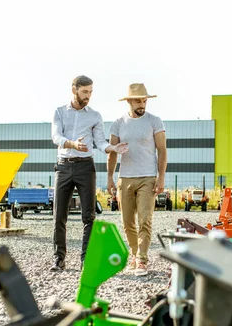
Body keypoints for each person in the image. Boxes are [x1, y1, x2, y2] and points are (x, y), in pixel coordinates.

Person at [50, 75, 129, 271]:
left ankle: (86, 260)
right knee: (59, 215)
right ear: (74, 90)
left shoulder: (95, 116)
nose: (88, 96)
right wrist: (71, 143)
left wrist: (113, 148)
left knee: (89, 216)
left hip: (86, 167)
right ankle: (59, 259)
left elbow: (100, 142)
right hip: (63, 166)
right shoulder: (59, 112)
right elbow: (55, 136)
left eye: (91, 92)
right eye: (85, 92)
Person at [107, 83, 167, 276]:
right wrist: (110, 177)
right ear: (129, 101)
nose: (142, 104)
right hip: (125, 178)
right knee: (127, 222)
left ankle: (142, 260)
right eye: (138, 101)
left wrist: (161, 177)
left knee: (145, 220)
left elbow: (162, 150)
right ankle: (134, 254)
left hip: (148, 178)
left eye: (144, 100)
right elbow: (112, 153)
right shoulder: (118, 123)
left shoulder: (154, 121)